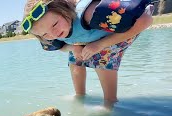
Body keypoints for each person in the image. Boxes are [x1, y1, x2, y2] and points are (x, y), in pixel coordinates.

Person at [22, 0, 153, 106]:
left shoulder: (89, 13)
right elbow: (61, 47)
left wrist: (99, 45)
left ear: (64, 9)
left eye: (55, 24)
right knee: (75, 60)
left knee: (101, 60)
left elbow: (145, 20)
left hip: (123, 30)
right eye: (45, 34)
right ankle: (80, 95)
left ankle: (110, 102)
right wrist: (73, 48)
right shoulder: (51, 32)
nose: (53, 34)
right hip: (89, 37)